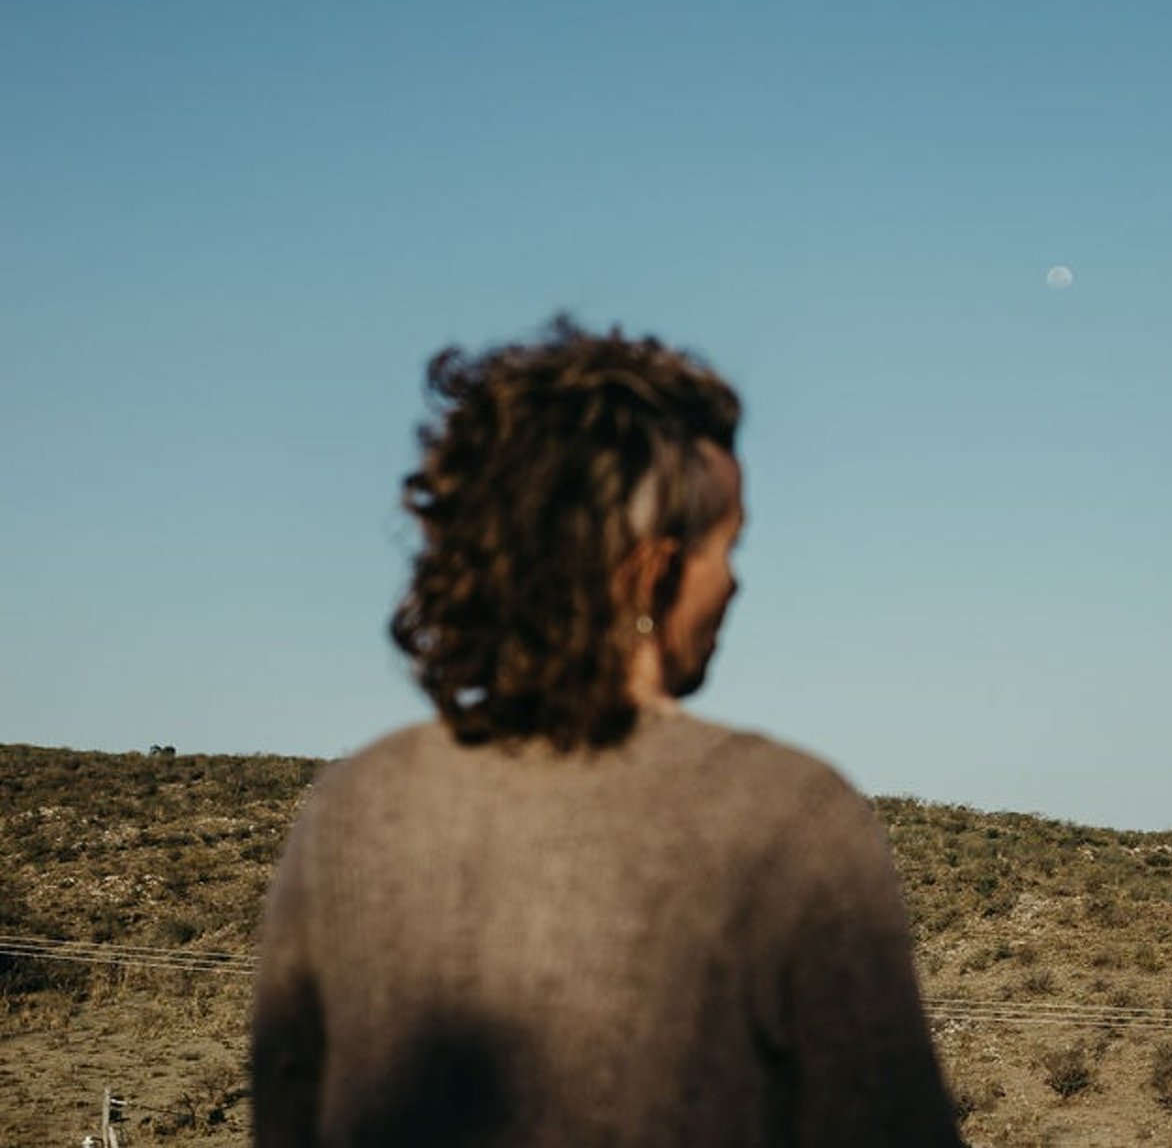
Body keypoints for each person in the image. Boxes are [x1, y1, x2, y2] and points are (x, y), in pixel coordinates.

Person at [253, 319, 964, 1147]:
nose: (734, 581)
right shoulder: (787, 819)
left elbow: (286, 1119)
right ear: (652, 570)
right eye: (726, 545)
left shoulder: (354, 810)